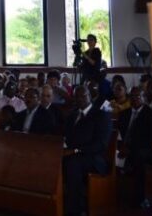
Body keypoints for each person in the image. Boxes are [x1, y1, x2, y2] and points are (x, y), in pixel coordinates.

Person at [62, 86, 111, 216]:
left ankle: (75, 210)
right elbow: (65, 136)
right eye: (77, 96)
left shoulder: (101, 115)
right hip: (73, 154)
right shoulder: (72, 115)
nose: (80, 99)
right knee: (55, 160)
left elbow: (101, 144)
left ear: (90, 96)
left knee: (73, 164)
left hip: (94, 158)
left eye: (83, 96)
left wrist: (76, 150)